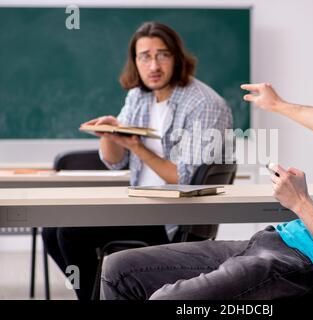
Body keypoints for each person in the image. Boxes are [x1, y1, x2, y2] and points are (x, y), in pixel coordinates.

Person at [100, 31, 313, 300]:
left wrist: (300, 203)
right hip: (278, 244)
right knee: (118, 268)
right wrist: (278, 105)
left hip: (302, 269)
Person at [42, 21, 233, 300]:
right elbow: (116, 162)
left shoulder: (204, 104)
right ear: (135, 61)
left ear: (177, 57)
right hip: (140, 205)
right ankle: (97, 296)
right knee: (52, 230)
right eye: (145, 56)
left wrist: (139, 148)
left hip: (175, 216)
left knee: (71, 232)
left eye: (162, 55)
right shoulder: (139, 96)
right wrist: (108, 134)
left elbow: (185, 179)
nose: (153, 65)